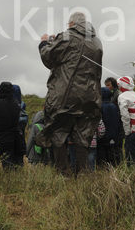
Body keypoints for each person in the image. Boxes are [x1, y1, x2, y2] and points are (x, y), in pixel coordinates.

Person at [38, 12, 103, 175]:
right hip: (90, 95)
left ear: (71, 23)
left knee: (58, 133)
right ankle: (83, 174)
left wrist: (45, 43)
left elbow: (49, 58)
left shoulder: (68, 36)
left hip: (66, 94)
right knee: (83, 135)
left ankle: (63, 173)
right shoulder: (96, 41)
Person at [117, 76, 135, 164]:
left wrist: (127, 131)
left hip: (131, 129)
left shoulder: (122, 97)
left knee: (130, 153)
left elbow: (125, 115)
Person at [97, 86, 121, 167]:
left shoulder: (99, 107)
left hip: (103, 136)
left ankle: (103, 168)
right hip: (114, 134)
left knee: (102, 155)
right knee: (113, 155)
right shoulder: (114, 106)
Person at [104, 76, 124, 163]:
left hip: (118, 122)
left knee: (117, 144)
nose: (107, 87)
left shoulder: (118, 94)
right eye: (106, 85)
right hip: (114, 122)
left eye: (108, 85)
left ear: (113, 84)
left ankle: (118, 162)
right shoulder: (111, 94)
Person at [12, 84, 28, 165]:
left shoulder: (11, 104)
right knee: (19, 159)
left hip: (12, 135)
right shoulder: (22, 104)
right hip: (20, 135)